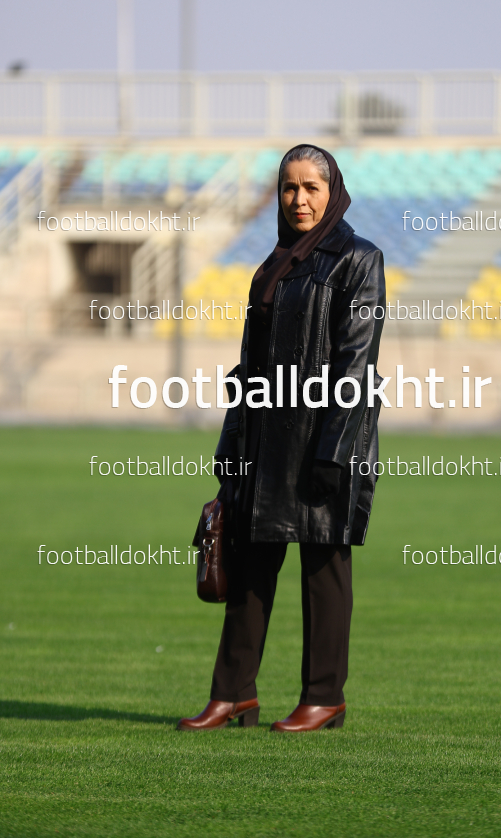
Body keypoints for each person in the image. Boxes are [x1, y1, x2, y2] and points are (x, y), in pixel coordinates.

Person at [178, 144, 386, 733]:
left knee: (325, 574)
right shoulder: (270, 266)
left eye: (311, 188)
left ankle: (324, 697)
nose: (299, 199)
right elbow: (248, 369)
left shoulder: (359, 260)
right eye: (289, 188)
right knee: (248, 572)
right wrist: (230, 449)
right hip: (262, 447)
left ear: (332, 192)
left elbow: (356, 364)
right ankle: (233, 695)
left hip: (324, 444)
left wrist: (333, 453)